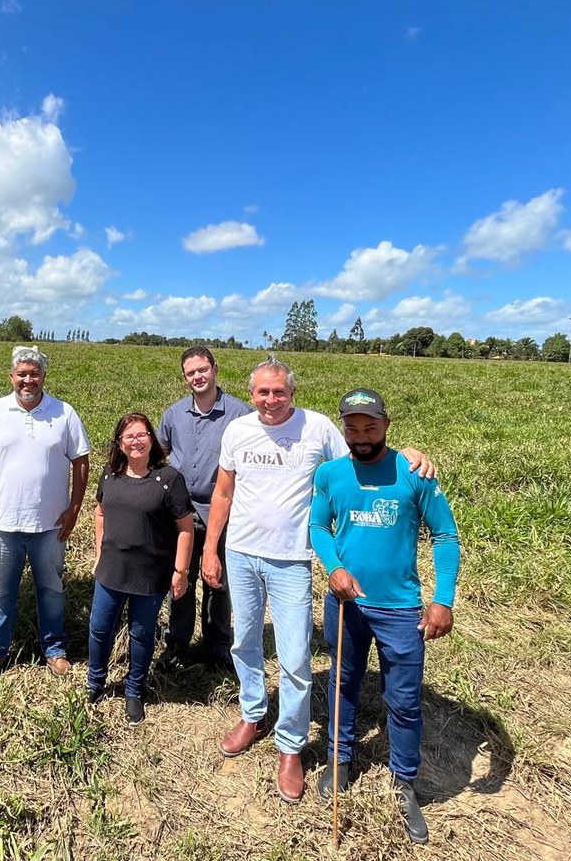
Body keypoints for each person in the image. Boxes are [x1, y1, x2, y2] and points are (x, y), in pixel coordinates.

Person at [202, 356, 434, 805]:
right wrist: (212, 548)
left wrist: (408, 456)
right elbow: (223, 492)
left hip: (292, 559)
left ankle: (291, 746)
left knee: (293, 657)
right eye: (262, 393)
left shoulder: (319, 427)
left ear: (293, 393)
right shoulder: (238, 431)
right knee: (244, 641)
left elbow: (362, 456)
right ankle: (253, 713)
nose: (271, 400)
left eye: (279, 392)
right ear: (251, 395)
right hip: (241, 552)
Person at [309, 388, 460, 845]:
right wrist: (333, 567)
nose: (361, 436)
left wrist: (443, 599)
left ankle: (404, 781)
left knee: (405, 697)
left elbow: (446, 536)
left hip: (400, 609)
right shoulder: (331, 473)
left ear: (386, 425)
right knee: (343, 680)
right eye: (352, 428)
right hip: (347, 603)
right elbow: (318, 526)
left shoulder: (414, 473)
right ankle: (340, 758)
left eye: (370, 427)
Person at [0, 346, 91, 679]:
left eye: (34, 374)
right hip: (2, 524)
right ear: (11, 377)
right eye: (22, 374)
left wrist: (74, 509)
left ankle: (54, 649)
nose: (28, 380)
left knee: (51, 590)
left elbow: (81, 462)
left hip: (49, 525)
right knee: (0, 592)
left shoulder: (64, 413)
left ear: (43, 377)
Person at [88, 413, 195, 725]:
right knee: (99, 628)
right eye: (128, 436)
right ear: (120, 444)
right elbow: (100, 513)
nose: (135, 441)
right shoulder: (111, 473)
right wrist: (98, 553)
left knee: (142, 632)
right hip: (111, 569)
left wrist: (181, 570)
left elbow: (185, 528)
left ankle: (134, 689)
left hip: (150, 572)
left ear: (152, 439)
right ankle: (95, 682)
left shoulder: (168, 478)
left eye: (141, 434)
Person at [156, 346, 251, 672]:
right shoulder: (174, 414)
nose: (197, 377)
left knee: (217, 580)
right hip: (180, 511)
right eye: (190, 373)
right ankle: (177, 645)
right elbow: (159, 455)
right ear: (185, 378)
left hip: (221, 510)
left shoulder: (239, 414)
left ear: (215, 369)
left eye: (202, 370)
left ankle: (218, 647)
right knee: (181, 577)